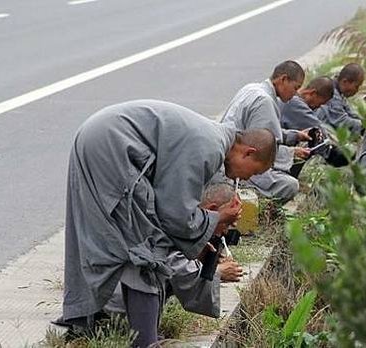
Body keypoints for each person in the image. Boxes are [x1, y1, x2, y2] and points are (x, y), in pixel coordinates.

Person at [62, 100, 276, 348]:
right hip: (113, 147)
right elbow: (175, 214)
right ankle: (146, 342)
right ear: (248, 152)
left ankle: (93, 326)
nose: (246, 178)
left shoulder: (212, 139)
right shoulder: (210, 147)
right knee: (146, 251)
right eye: (254, 171)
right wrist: (217, 221)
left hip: (101, 139)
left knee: (113, 241)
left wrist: (201, 235)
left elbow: (167, 209)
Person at [104, 183, 244, 320]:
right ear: (212, 210)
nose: (225, 231)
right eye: (226, 222)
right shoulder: (180, 221)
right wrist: (217, 272)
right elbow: (177, 268)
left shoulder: (188, 219)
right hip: (117, 301)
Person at [220, 60, 311, 203]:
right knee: (290, 185)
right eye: (295, 87)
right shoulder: (265, 101)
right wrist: (292, 153)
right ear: (283, 79)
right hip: (237, 162)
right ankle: (259, 209)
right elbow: (262, 150)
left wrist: (294, 135)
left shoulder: (252, 88)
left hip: (232, 151)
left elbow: (256, 133)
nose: (295, 94)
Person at [315, 63, 365, 134]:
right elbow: (340, 120)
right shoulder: (331, 92)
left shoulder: (339, 92)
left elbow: (350, 112)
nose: (357, 90)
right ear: (345, 82)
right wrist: (364, 125)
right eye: (356, 86)